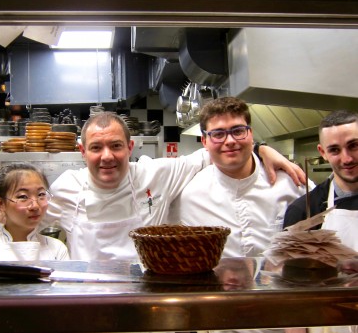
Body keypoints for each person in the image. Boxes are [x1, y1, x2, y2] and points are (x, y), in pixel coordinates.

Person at [43, 111, 306, 261]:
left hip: (144, 301)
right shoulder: (66, 188)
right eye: (96, 148)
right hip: (91, 309)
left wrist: (261, 149)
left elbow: (214, 151)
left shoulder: (156, 173)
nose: (107, 156)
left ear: (130, 147)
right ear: (82, 152)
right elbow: (24, 222)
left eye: (116, 146)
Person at [170, 97, 310, 257]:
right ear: (204, 141)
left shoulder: (291, 182)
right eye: (218, 134)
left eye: (237, 131)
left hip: (283, 281)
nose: (230, 141)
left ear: (250, 134)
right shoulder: (190, 195)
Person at [284, 110, 358, 251]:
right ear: (323, 152)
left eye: (353, 146)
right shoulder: (304, 211)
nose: (347, 159)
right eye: (334, 150)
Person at [0, 163, 69, 261]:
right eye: (23, 196)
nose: (35, 206)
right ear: (1, 203)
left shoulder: (57, 249)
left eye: (41, 194)